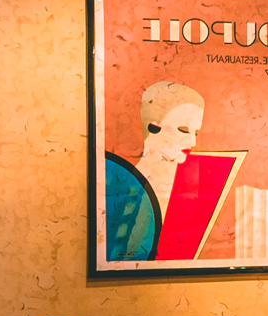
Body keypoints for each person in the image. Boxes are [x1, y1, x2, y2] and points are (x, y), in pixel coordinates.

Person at [101, 79, 241, 262]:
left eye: (196, 133)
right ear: (153, 127)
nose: (192, 142)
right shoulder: (125, 188)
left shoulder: (194, 189)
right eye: (184, 130)